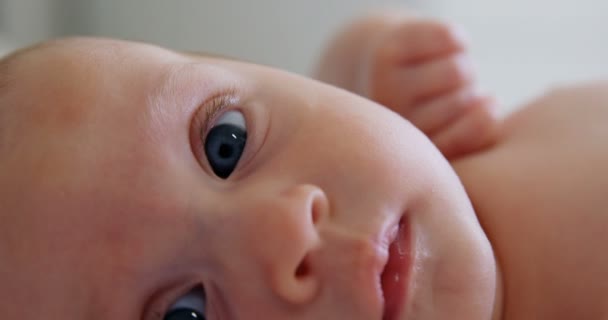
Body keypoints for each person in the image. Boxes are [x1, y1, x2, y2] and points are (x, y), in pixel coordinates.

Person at [0, 9, 606, 320]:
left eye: (225, 144)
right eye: (187, 315)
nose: (286, 233)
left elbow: (338, 82)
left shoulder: (451, 145)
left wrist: (368, 62)